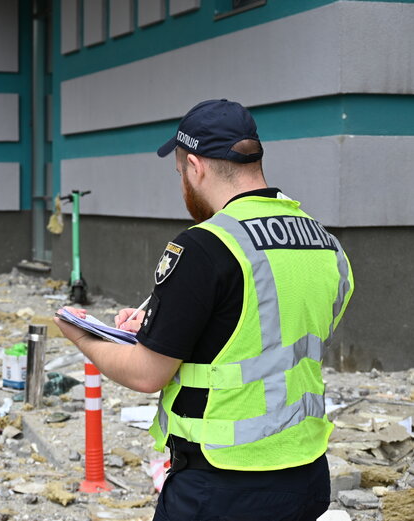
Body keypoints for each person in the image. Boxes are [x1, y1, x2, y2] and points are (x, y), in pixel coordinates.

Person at [54, 99, 354, 521]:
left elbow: (146, 373)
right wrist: (167, 328)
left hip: (222, 485)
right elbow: (266, 335)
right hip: (306, 476)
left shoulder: (204, 246)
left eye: (180, 173)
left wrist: (81, 336)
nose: (183, 185)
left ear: (195, 166)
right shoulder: (325, 243)